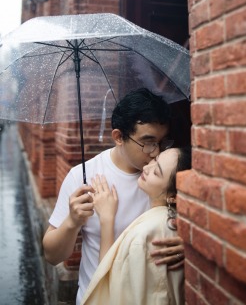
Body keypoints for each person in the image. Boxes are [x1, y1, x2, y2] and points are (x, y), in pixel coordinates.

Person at [43, 88, 185, 305]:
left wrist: (187, 246)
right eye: (148, 142)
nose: (155, 152)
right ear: (119, 137)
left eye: (162, 142)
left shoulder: (167, 176)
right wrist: (72, 222)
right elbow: (52, 256)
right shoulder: (83, 177)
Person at [81, 146, 191, 305]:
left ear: (173, 197)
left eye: (156, 172)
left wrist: (106, 218)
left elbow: (111, 284)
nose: (146, 167)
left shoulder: (147, 234)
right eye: (154, 160)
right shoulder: (169, 222)